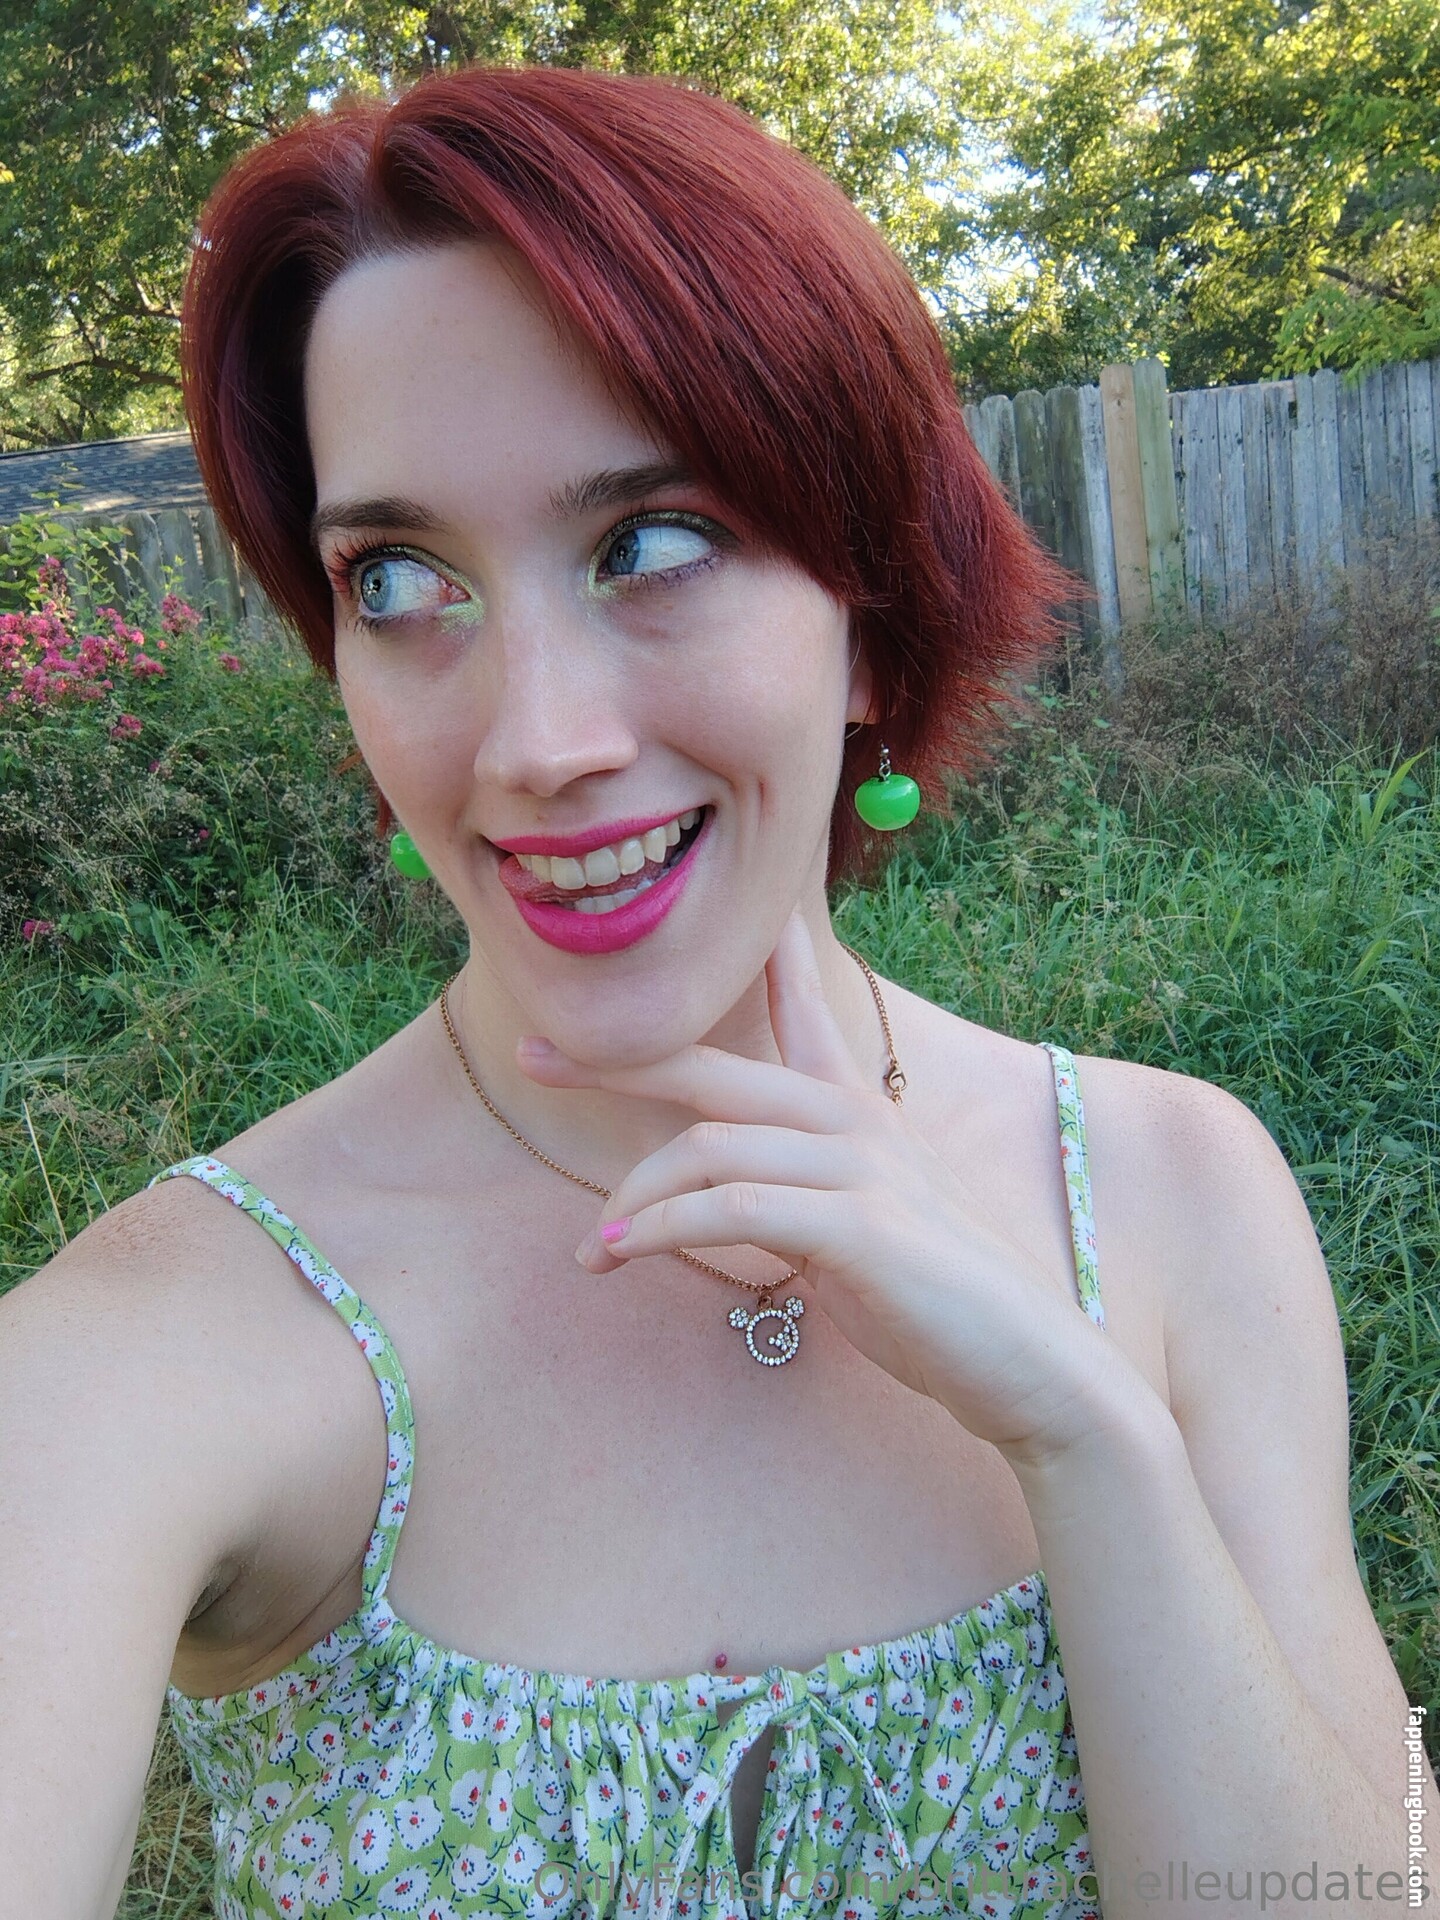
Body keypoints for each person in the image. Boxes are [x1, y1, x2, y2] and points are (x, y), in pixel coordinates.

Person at [1, 61, 1433, 1920]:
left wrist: (1086, 1439)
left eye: (650, 546)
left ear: (869, 615)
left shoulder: (1180, 1195)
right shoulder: (159, 1341)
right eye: (401, 578)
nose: (534, 741)